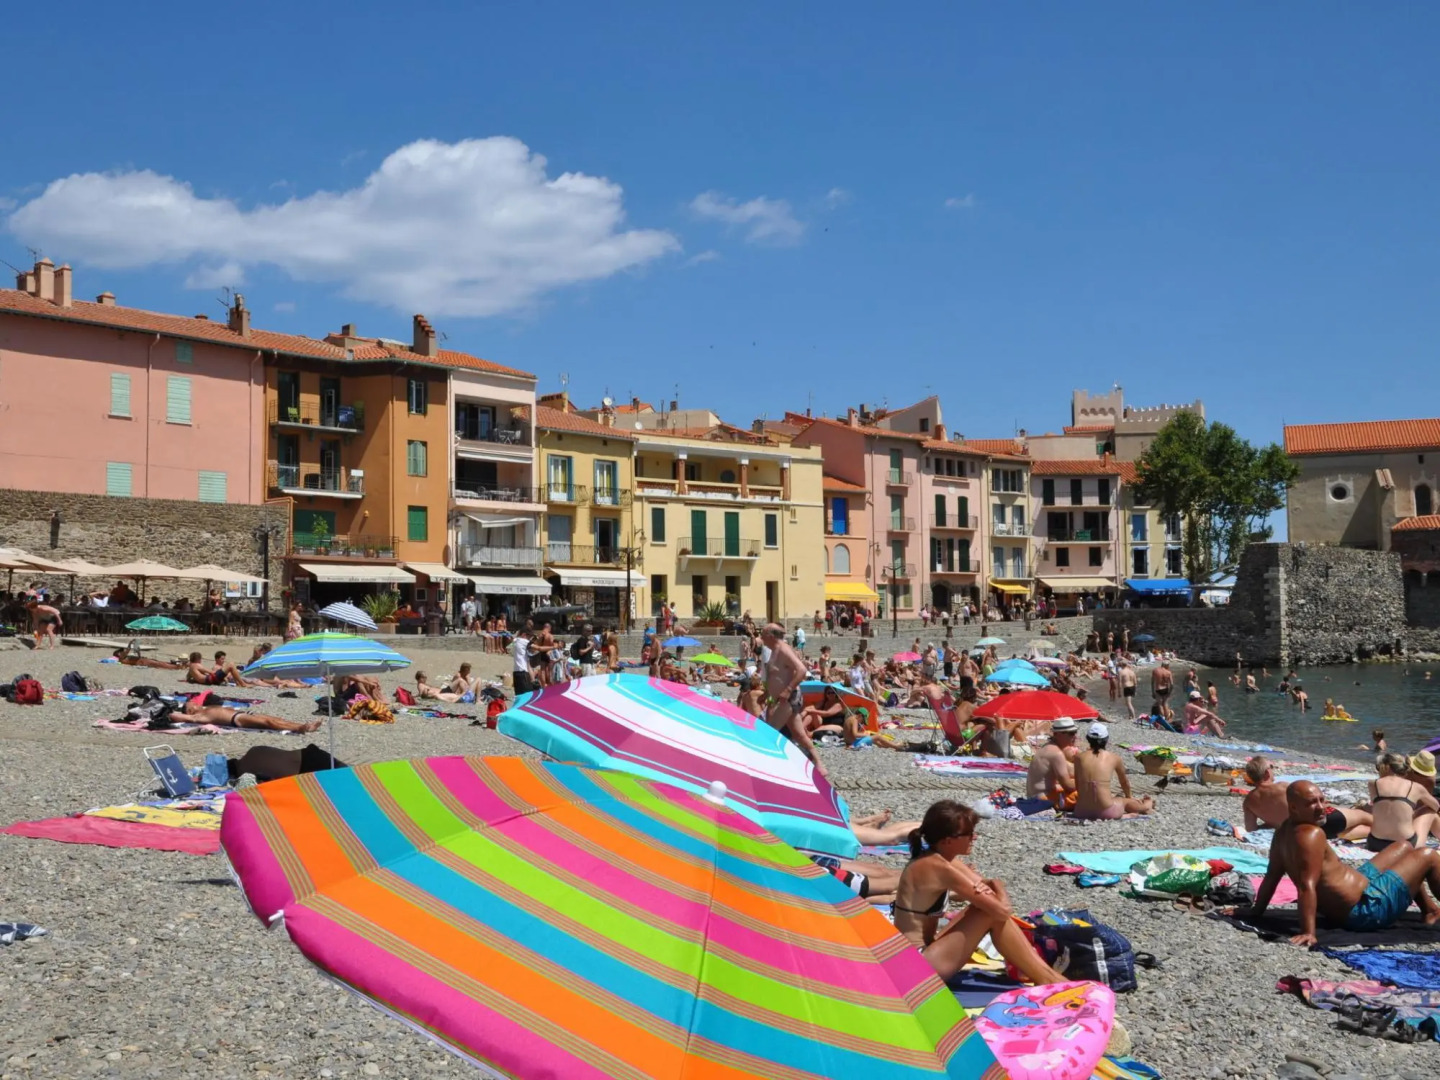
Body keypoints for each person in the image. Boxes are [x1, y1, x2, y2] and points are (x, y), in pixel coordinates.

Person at [892, 801, 1065, 984]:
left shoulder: (943, 860)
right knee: (988, 913)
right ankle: (1049, 979)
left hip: (921, 953)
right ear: (948, 840)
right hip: (916, 966)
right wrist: (997, 883)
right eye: (969, 834)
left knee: (983, 909)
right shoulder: (937, 867)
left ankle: (1047, 976)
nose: (974, 837)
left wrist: (990, 887)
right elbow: (1002, 910)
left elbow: (987, 892)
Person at [1249, 781, 1440, 945]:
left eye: (1321, 800)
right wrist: (1309, 932)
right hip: (1365, 911)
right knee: (1428, 855)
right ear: (1293, 808)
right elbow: (1307, 885)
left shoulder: (1282, 831)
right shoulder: (1311, 835)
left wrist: (1256, 912)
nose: (1321, 807)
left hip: (1361, 889)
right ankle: (1431, 910)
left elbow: (1272, 876)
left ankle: (1429, 910)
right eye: (1311, 803)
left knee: (1403, 847)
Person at [1243, 756, 1371, 839]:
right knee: (1362, 815)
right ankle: (1387, 827)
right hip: (1325, 821)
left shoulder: (1249, 801)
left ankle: (1383, 834)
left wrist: (1271, 823)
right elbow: (1313, 803)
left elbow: (1251, 828)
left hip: (1306, 833)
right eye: (1271, 767)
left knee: (1361, 832)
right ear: (1266, 772)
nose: (1273, 769)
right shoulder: (1283, 787)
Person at [759, 622, 827, 779]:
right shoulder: (774, 650)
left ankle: (768, 766)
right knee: (799, 735)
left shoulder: (783, 649)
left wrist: (788, 689)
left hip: (789, 698)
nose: (761, 637)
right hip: (780, 699)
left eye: (763, 634)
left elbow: (802, 670)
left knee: (770, 732)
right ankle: (819, 764)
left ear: (770, 635)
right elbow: (776, 676)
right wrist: (768, 694)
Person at [1072, 722, 1154, 819]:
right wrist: (1129, 797)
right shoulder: (1114, 757)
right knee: (1124, 801)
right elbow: (1124, 782)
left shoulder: (1078, 758)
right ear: (1106, 740)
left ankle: (1126, 815)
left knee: (1110, 798)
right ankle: (1147, 804)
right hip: (1107, 811)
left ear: (1088, 739)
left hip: (1081, 811)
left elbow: (1077, 784)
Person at [1364, 752, 1439, 851]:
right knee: (1430, 811)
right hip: (1405, 846)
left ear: (1385, 768)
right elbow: (1436, 806)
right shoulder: (1416, 787)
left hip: (1375, 843)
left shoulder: (1373, 784)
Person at [180, 695, 323, 734]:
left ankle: (303, 726)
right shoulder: (197, 717)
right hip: (237, 719)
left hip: (241, 713)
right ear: (190, 711)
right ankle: (299, 729)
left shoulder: (204, 708)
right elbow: (178, 716)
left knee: (275, 719)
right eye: (191, 704)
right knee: (269, 724)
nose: (193, 702)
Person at [1024, 717, 1078, 810]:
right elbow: (1068, 786)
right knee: (1088, 794)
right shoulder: (1056, 753)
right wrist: (1087, 782)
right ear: (1057, 734)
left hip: (1034, 797)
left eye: (1074, 733)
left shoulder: (1047, 747)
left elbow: (1069, 770)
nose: (1074, 737)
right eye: (1071, 733)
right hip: (1043, 800)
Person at [512, 627, 534, 696]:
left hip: (516, 672)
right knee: (527, 695)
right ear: (524, 635)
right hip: (523, 673)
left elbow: (509, 645)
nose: (529, 639)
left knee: (518, 696)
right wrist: (553, 647)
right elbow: (539, 648)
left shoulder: (515, 641)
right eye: (529, 637)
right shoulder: (524, 641)